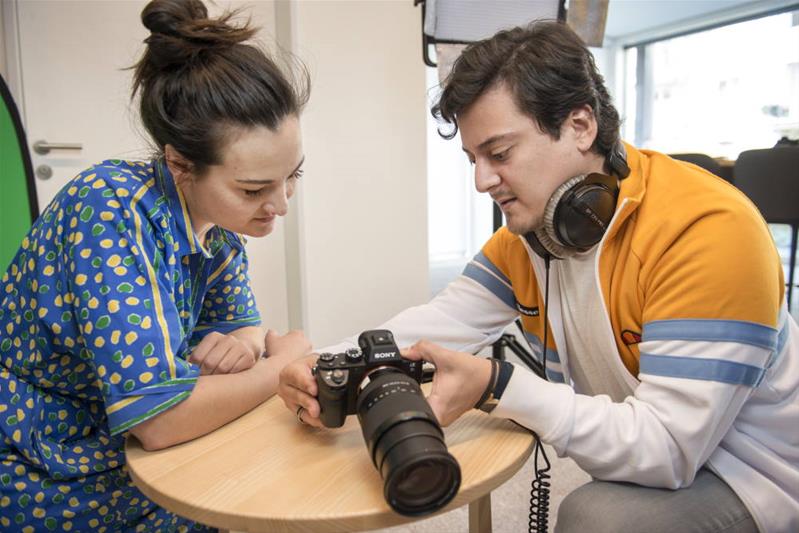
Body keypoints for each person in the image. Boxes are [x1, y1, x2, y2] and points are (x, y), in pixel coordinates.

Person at [278, 21, 798, 533]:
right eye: (473, 158)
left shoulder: (705, 231)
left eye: (499, 154)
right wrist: (324, 362)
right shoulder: (533, 237)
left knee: (597, 518)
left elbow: (666, 451)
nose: (482, 180)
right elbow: (437, 322)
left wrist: (500, 385)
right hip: (676, 454)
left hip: (755, 475)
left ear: (580, 125)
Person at [0, 0, 312, 530]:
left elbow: (244, 332)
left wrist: (245, 350)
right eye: (255, 189)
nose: (280, 205)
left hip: (131, 447)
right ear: (179, 163)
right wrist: (277, 366)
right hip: (48, 461)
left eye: (292, 178)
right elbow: (161, 420)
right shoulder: (108, 208)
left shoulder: (217, 230)